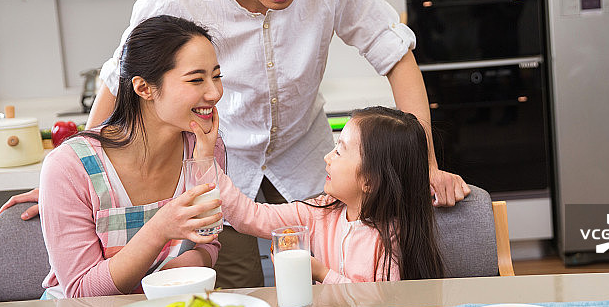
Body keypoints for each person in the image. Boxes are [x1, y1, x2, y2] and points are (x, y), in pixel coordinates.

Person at [0, 0, 468, 289]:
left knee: (328, 280)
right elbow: (119, 78)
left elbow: (396, 58)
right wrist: (75, 178)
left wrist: (426, 164)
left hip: (306, 158)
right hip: (221, 162)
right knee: (237, 286)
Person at [36, 16, 225, 298]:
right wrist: (159, 229)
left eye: (217, 76)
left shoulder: (205, 147)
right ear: (144, 88)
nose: (215, 92)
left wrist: (186, 265)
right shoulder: (69, 166)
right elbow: (81, 293)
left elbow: (208, 240)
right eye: (197, 79)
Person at [190, 105, 445, 283]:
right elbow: (250, 216)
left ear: (369, 180)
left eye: (339, 151)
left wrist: (321, 273)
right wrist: (205, 159)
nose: (327, 157)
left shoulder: (393, 238)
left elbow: (377, 302)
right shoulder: (320, 212)